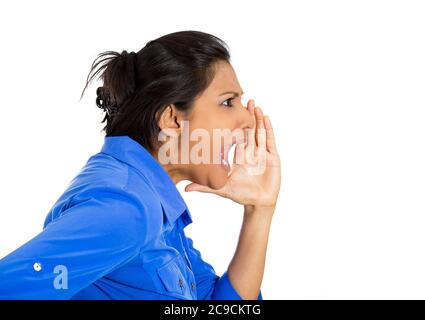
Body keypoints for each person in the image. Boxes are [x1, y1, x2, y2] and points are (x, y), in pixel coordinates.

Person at [0, 30, 281, 300]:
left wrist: (259, 210)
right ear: (170, 119)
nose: (247, 119)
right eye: (228, 102)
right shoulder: (128, 208)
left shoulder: (154, 206)